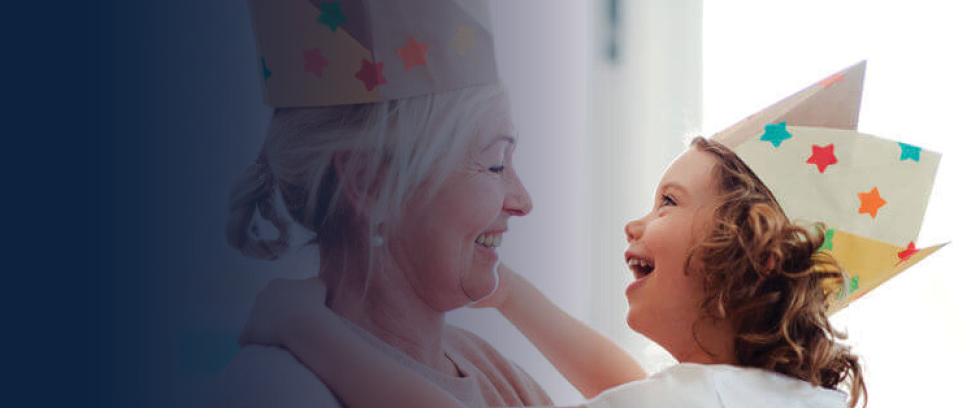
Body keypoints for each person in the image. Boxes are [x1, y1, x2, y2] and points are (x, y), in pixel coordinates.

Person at [237, 136, 867, 408]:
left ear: (750, 259)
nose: (636, 223)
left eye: (669, 202)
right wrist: (512, 296)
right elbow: (625, 387)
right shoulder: (761, 394)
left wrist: (307, 330)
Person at [211, 0, 555, 406]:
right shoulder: (275, 391)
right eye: (495, 163)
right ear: (370, 184)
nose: (522, 200)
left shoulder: (485, 366)